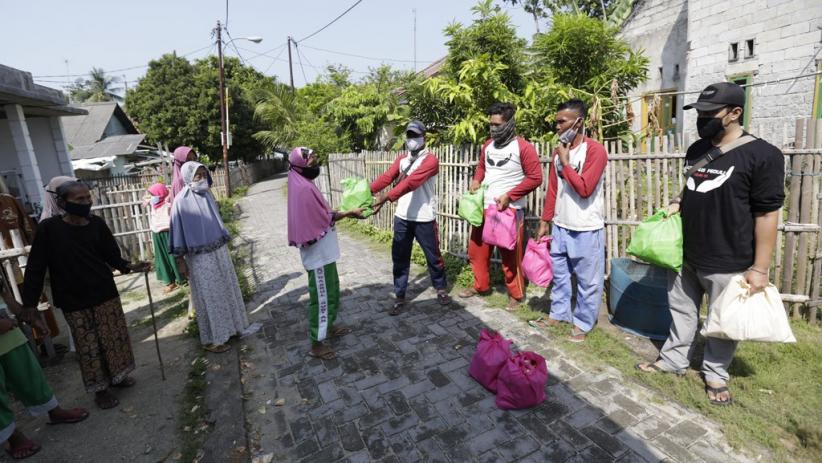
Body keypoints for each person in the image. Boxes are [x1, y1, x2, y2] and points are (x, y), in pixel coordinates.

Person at [636, 82, 785, 406]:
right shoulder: (697, 150)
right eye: (699, 113)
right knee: (681, 312)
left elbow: (767, 214)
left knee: (723, 321)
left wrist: (760, 268)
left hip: (729, 258)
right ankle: (673, 360)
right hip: (685, 252)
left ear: (735, 113)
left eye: (709, 113)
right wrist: (677, 201)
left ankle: (716, 373)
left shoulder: (764, 155)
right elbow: (691, 186)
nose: (702, 119)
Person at [22, 181, 151, 410]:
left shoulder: (97, 224)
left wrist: (130, 266)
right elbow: (35, 267)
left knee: (113, 338)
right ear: (62, 202)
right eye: (79, 199)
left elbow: (112, 256)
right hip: (73, 299)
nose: (86, 202)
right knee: (88, 345)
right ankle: (100, 390)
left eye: (88, 197)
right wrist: (30, 304)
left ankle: (118, 376)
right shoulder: (49, 229)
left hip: (104, 292)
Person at [536, 99, 608, 343]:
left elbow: (585, 189)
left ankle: (583, 322)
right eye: (556, 122)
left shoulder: (595, 151)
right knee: (560, 275)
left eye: (562, 122)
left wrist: (566, 163)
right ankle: (558, 314)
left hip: (586, 227)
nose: (557, 126)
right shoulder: (558, 151)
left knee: (588, 281)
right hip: (561, 225)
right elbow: (553, 189)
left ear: (579, 122)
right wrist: (545, 221)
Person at [459, 102, 543, 310]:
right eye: (491, 124)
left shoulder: (523, 147)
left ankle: (515, 294)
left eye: (497, 125)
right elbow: (482, 167)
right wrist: (476, 180)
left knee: (510, 255)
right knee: (477, 250)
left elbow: (535, 177)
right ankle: (481, 286)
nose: (493, 129)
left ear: (509, 124)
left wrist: (510, 196)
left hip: (510, 210)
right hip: (484, 207)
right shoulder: (488, 145)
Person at [287, 147, 363, 359]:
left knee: (332, 292)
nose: (314, 162)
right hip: (318, 256)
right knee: (321, 298)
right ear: (300, 164)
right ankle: (316, 343)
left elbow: (322, 214)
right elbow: (325, 218)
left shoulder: (303, 182)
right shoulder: (303, 189)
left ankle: (328, 326)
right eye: (310, 160)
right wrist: (349, 213)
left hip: (325, 252)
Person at [0, 278, 88, 460]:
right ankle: (11, 436)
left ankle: (53, 410)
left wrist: (31, 319)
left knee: (30, 375)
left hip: (8, 331)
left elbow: (5, 296)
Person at [371, 121, 451, 315]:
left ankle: (440, 288)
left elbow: (412, 182)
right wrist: (367, 192)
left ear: (424, 137)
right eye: (409, 135)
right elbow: (387, 177)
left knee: (433, 257)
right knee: (399, 257)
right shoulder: (401, 159)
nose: (412, 139)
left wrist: (386, 197)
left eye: (415, 135)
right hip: (402, 216)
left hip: (424, 217)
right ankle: (399, 295)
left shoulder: (431, 160)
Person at [169, 161, 248, 353]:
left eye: (204, 174)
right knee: (210, 296)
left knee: (226, 288)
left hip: (219, 251)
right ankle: (214, 339)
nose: (202, 178)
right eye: (198, 175)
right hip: (200, 258)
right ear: (188, 177)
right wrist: (180, 261)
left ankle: (232, 328)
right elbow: (177, 233)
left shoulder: (207, 195)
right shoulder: (180, 202)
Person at [146, 183, 184, 293]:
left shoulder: (168, 205)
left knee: (173, 257)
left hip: (168, 234)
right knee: (162, 258)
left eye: (154, 195)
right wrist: (149, 200)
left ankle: (181, 279)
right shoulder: (154, 203)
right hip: (157, 234)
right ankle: (169, 281)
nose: (152, 197)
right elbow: (149, 200)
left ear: (160, 194)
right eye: (151, 195)